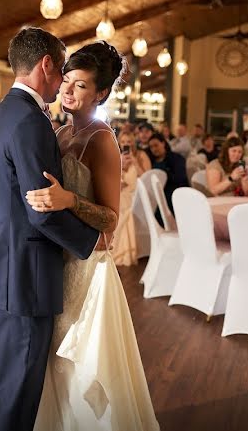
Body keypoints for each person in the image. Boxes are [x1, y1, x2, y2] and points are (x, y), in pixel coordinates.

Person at [21, 38, 159, 430]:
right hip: (60, 262)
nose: (67, 89)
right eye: (66, 80)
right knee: (56, 365)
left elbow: (111, 219)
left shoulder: (102, 139)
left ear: (100, 93)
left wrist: (69, 201)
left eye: (80, 85)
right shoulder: (63, 134)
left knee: (81, 370)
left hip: (87, 272)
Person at [0, 27, 101, 431]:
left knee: (8, 384)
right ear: (46, 64)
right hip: (22, 276)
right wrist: (91, 242)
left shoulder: (0, 113)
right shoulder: (29, 121)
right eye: (62, 71)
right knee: (18, 389)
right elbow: (41, 208)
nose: (63, 81)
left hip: (0, 266)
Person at [112, 129, 151, 266]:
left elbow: (148, 178)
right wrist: (121, 164)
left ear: (133, 143)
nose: (125, 144)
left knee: (124, 212)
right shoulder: (115, 154)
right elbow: (111, 178)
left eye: (128, 142)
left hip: (137, 196)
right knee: (118, 210)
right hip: (121, 192)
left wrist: (135, 162)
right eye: (123, 142)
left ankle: (122, 251)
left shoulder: (141, 155)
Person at [147, 132, 189, 215]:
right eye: (151, 147)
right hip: (157, 194)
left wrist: (164, 174)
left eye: (156, 145)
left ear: (163, 143)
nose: (154, 149)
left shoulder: (176, 158)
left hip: (175, 193)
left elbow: (180, 178)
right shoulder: (151, 161)